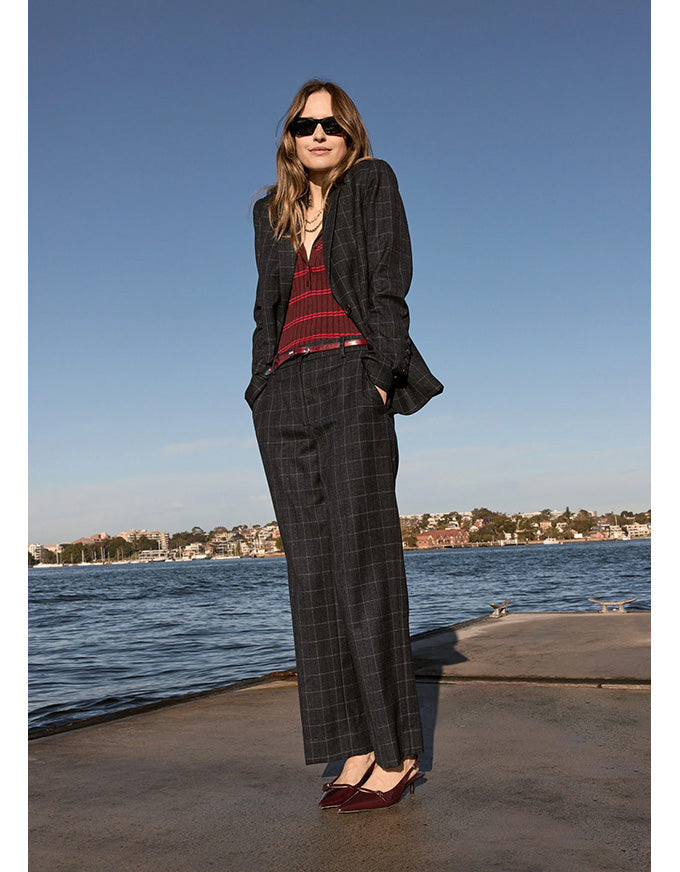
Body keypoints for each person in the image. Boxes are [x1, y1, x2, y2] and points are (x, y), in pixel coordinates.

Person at [246, 80, 443, 813]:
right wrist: (260, 382)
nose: (318, 132)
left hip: (353, 375)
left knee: (363, 567)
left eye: (331, 122)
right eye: (305, 123)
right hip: (285, 391)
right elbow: (264, 307)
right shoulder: (269, 214)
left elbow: (391, 282)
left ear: (349, 130)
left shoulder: (371, 183)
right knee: (314, 579)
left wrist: (381, 376)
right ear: (289, 136)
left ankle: (397, 753)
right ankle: (353, 747)